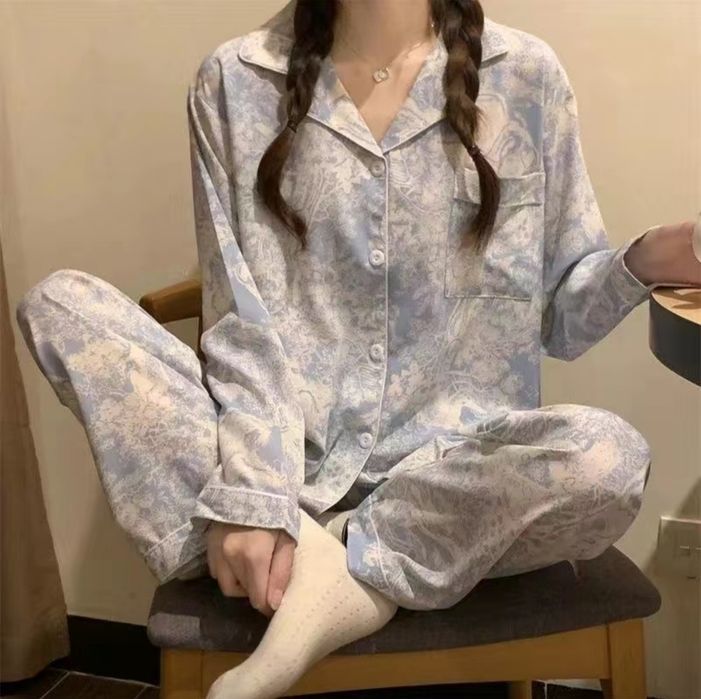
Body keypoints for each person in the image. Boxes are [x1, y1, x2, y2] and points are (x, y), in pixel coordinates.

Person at [15, 1, 700, 697]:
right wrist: (255, 490)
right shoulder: (233, 81)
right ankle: (322, 549)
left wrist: (648, 258)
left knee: (609, 460)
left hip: (454, 477)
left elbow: (563, 322)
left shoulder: (526, 75)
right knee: (60, 305)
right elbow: (239, 320)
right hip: (283, 458)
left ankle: (338, 565)